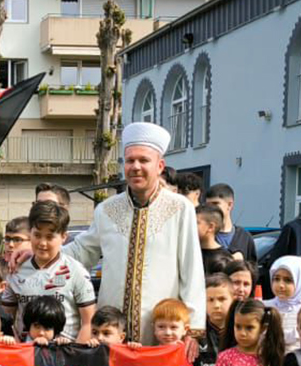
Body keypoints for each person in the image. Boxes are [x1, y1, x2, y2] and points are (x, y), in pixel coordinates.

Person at [67, 122, 206, 347]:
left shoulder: (180, 208)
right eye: (130, 160)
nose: (136, 166)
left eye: (144, 160)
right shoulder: (107, 209)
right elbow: (81, 251)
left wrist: (194, 328)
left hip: (162, 332)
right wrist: (37, 252)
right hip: (111, 334)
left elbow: (192, 270)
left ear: (160, 165)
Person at [2, 199, 95, 341]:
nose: (42, 243)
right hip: (27, 356)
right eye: (37, 235)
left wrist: (75, 354)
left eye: (50, 237)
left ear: (64, 237)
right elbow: (6, 320)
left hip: (65, 355)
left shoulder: (76, 271)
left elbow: (88, 323)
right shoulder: (16, 269)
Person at [265, 256, 301, 352]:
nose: (281, 285)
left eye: (288, 280)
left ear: (300, 281)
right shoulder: (265, 307)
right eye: (276, 279)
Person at [204, 183, 256, 264]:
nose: (211, 208)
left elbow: (253, 270)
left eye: (215, 204)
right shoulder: (204, 235)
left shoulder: (244, 237)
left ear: (229, 205)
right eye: (208, 205)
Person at [197, 204, 237, 276]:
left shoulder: (224, 259)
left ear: (211, 227)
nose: (191, 226)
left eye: (197, 223)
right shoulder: (190, 252)